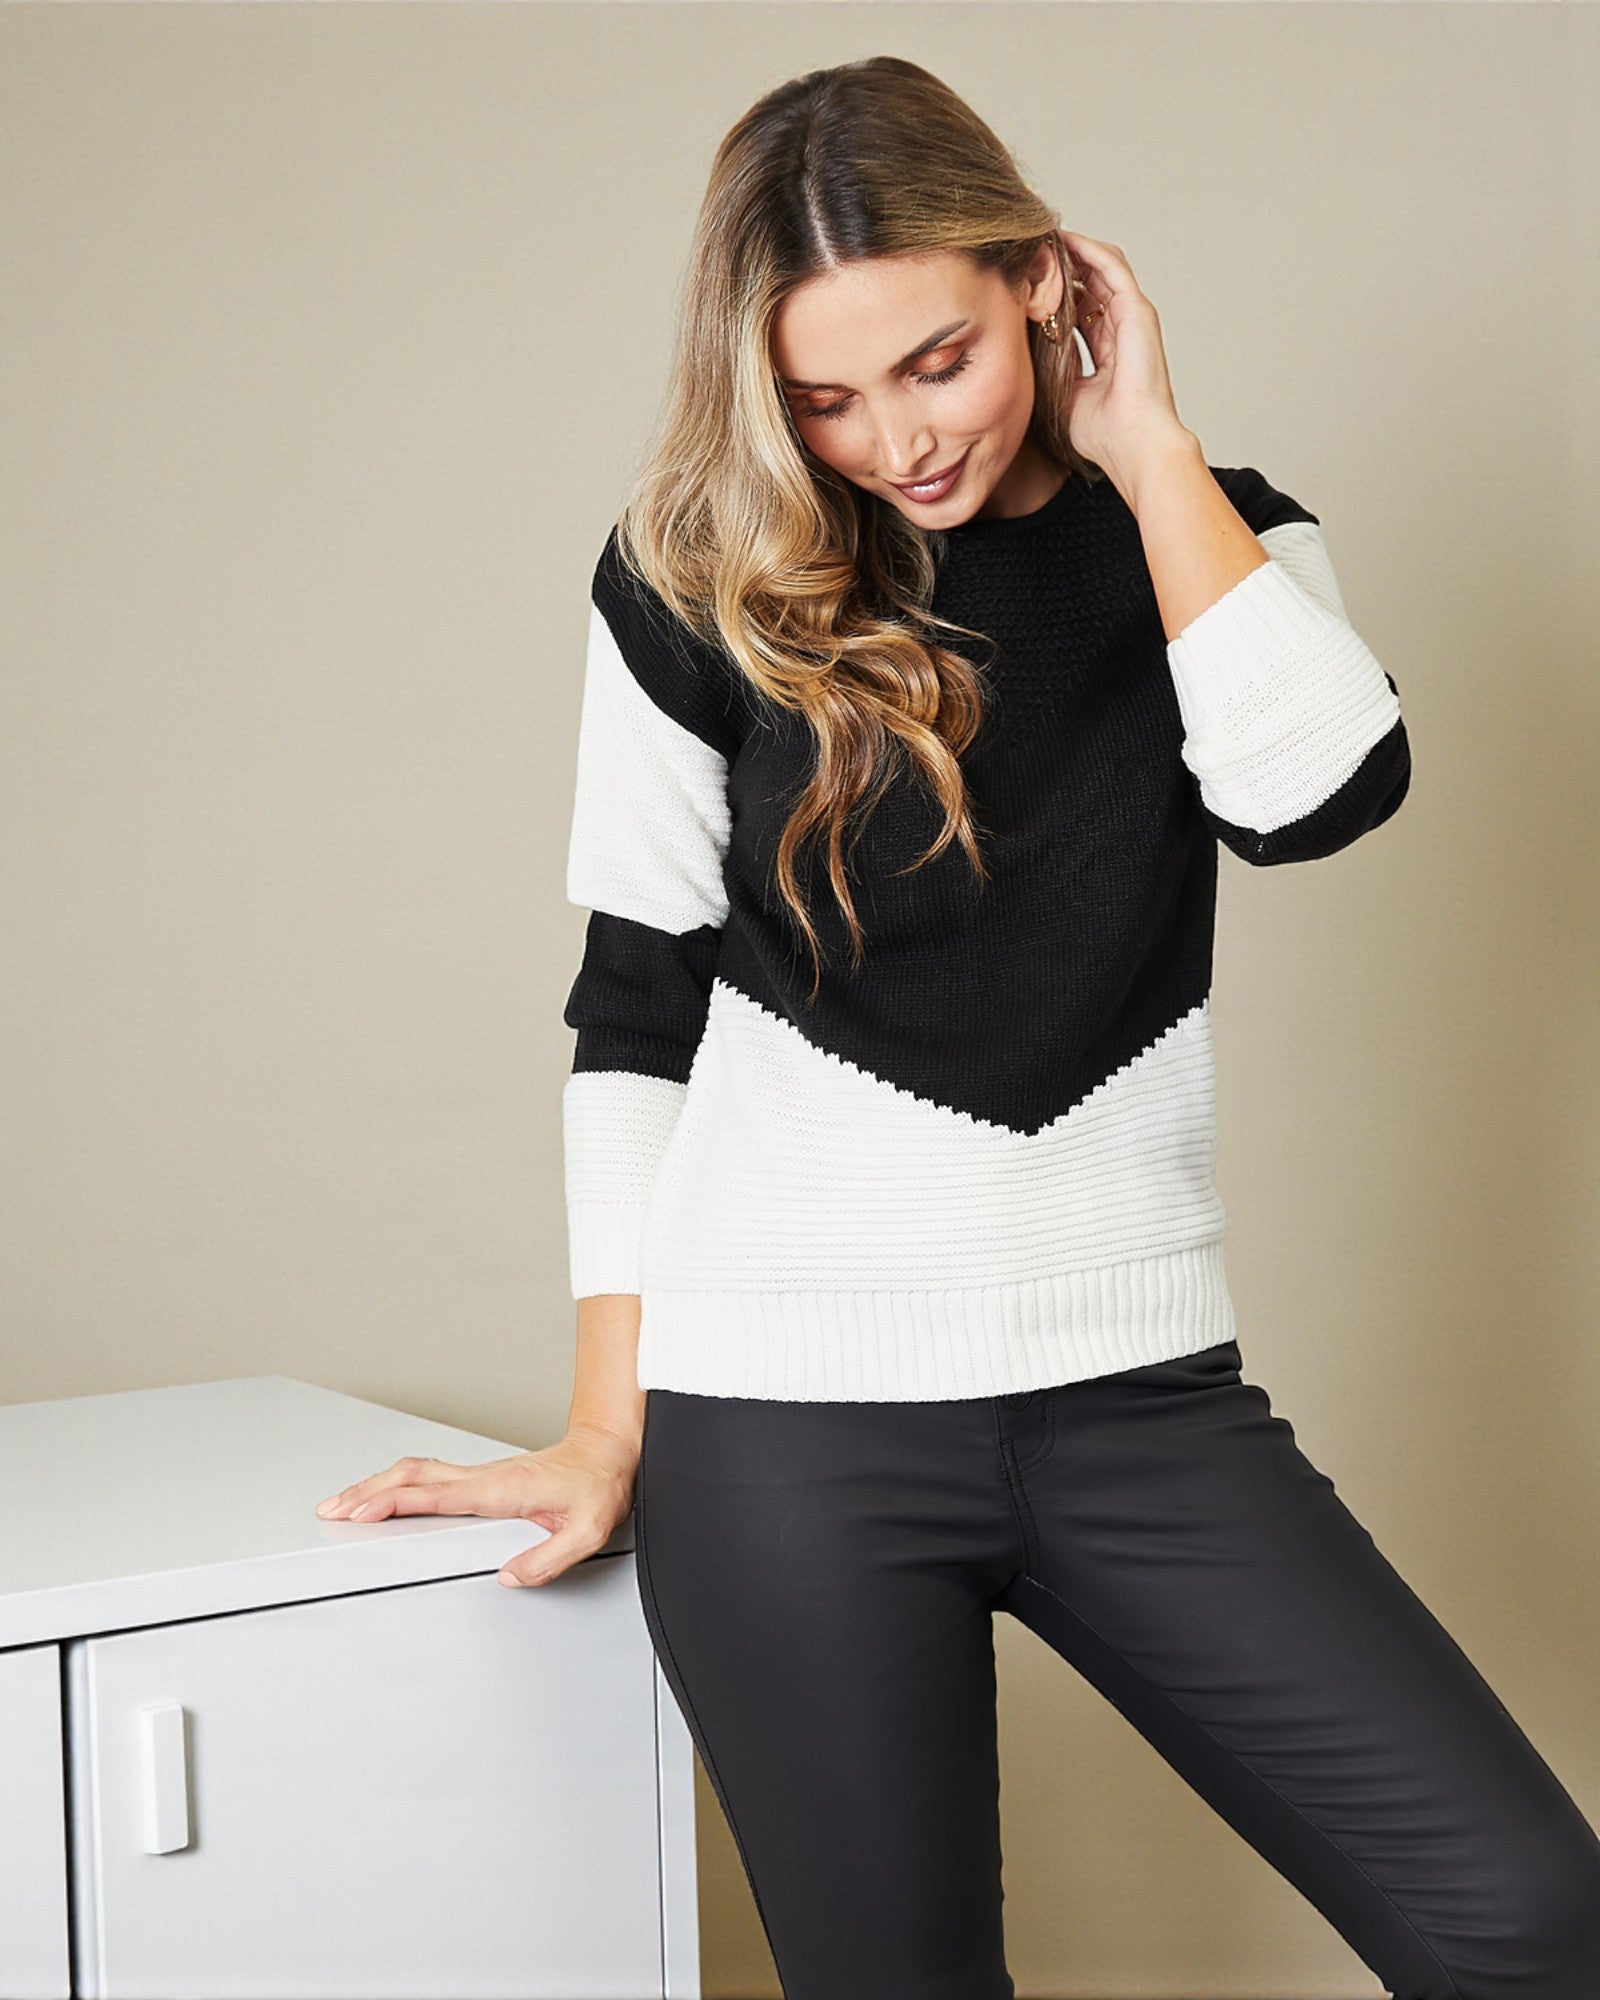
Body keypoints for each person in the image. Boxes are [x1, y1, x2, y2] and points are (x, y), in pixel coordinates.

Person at [314, 54, 1600, 2000]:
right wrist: (605, 1420)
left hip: (1141, 1406)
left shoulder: (1210, 537)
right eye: (821, 398)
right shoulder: (694, 577)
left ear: (1038, 284)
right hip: (783, 1439)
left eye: (931, 362)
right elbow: (636, 994)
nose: (889, 439)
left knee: (1524, 1915)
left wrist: (1148, 441)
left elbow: (1315, 798)